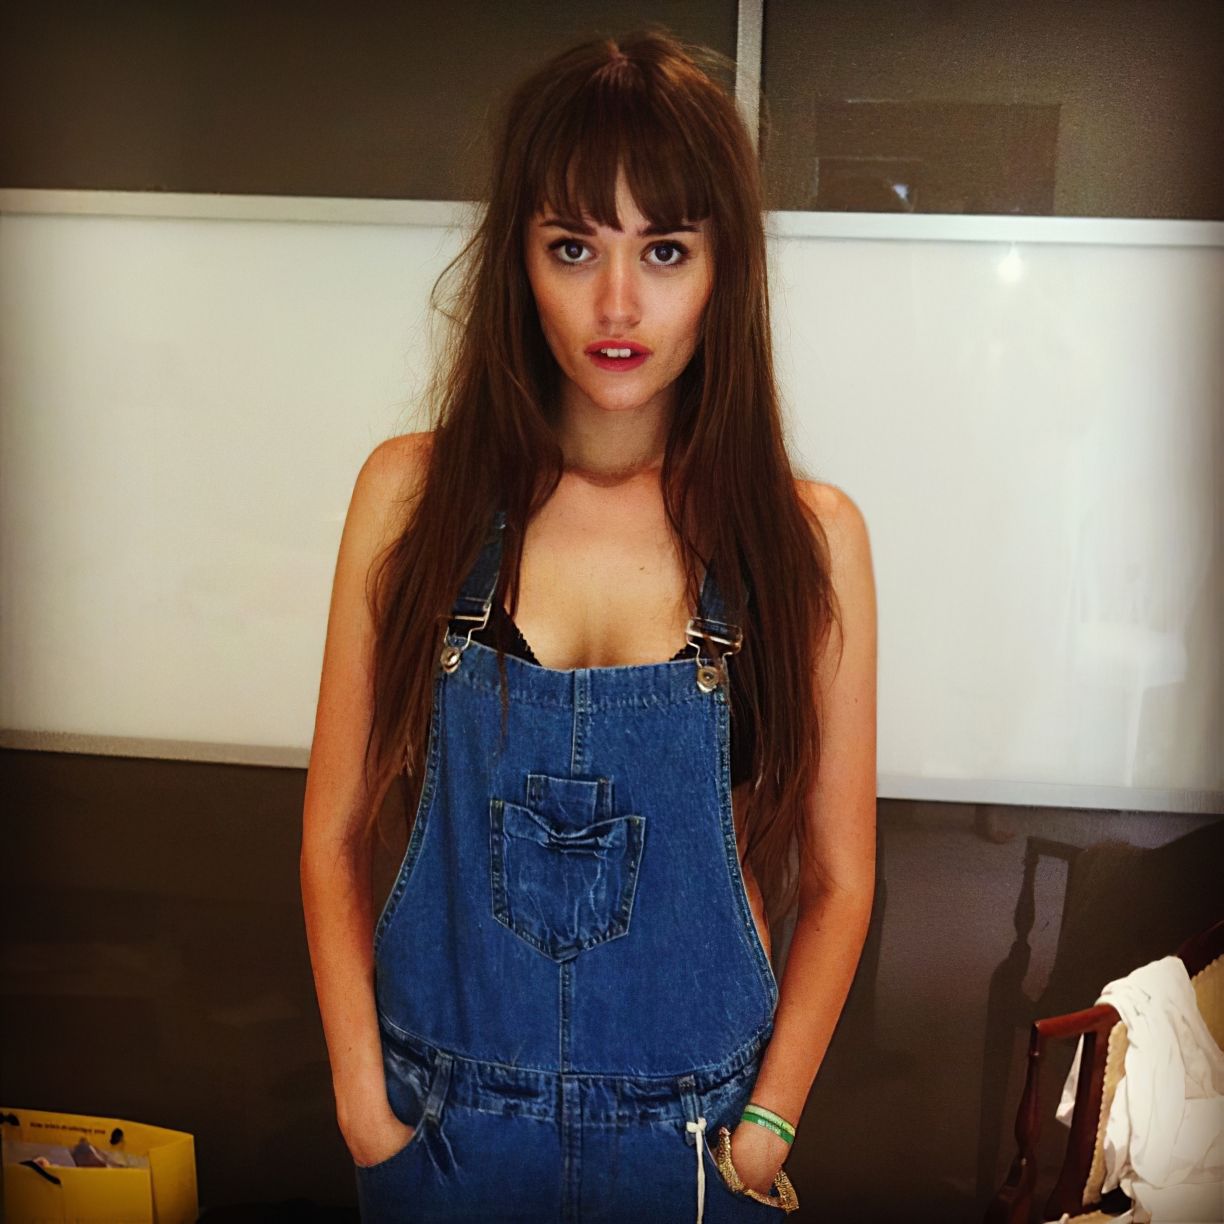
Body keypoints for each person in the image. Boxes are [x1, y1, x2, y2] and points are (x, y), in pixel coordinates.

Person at [301, 26, 877, 1223]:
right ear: (520, 261)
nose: (619, 303)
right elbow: (332, 838)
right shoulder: (413, 496)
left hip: (695, 1146)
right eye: (574, 246)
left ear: (723, 270)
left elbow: (838, 880)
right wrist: (367, 1115)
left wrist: (766, 1131)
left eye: (665, 250)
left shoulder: (804, 538)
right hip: (441, 1132)